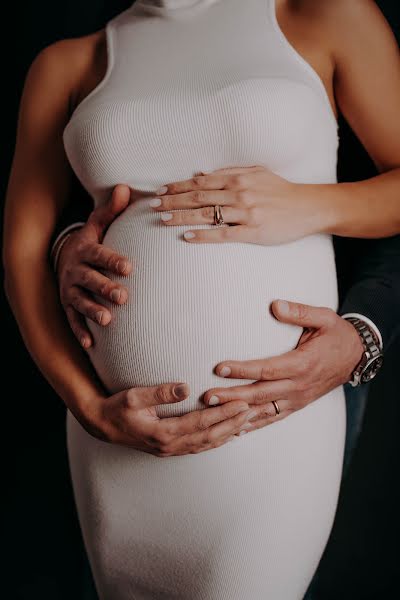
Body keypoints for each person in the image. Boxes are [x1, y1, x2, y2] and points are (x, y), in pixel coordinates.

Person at [3, 1, 400, 598]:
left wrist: (312, 204)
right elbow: (20, 258)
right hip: (113, 436)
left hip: (267, 428)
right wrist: (90, 408)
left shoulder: (325, 15)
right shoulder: (68, 63)